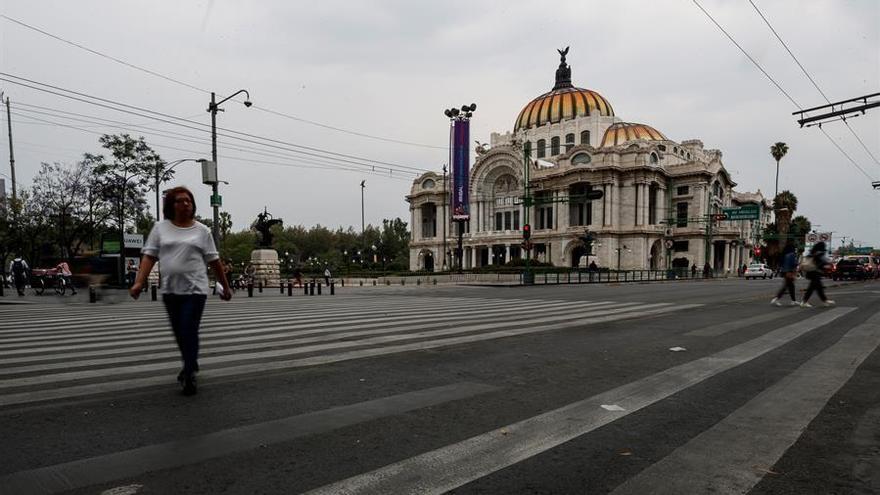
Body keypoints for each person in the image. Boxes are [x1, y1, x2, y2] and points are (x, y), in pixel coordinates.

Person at [130, 186, 232, 396]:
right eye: (179, 201)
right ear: (171, 205)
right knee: (179, 332)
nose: (185, 204)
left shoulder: (202, 231)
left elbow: (214, 261)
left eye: (188, 200)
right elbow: (149, 256)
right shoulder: (160, 229)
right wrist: (139, 282)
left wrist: (226, 286)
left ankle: (188, 373)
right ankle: (191, 361)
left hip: (195, 289)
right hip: (169, 289)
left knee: (188, 328)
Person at [800, 241, 834, 308]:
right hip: (815, 272)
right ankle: (804, 301)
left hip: (811, 272)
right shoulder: (820, 253)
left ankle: (824, 300)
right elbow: (823, 261)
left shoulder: (812, 252)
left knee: (819, 287)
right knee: (812, 287)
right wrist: (829, 263)